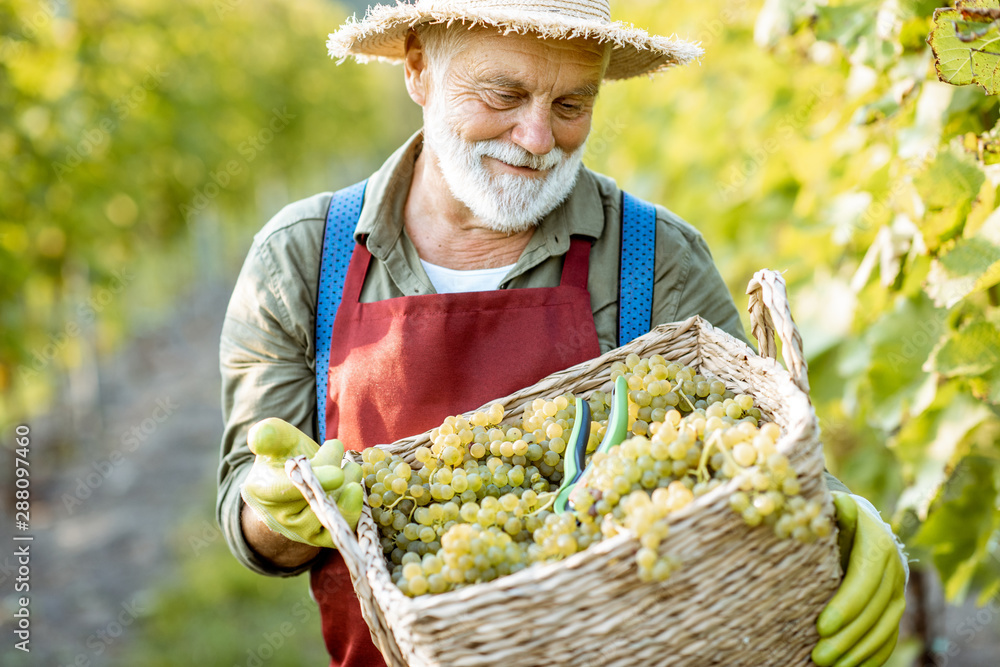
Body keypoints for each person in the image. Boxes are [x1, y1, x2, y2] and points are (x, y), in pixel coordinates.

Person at [216, 1, 907, 666]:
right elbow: (246, 519)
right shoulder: (306, 257)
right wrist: (281, 507)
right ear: (419, 70)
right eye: (503, 94)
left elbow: (749, 444)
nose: (538, 138)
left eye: (572, 105)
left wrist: (845, 516)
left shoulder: (654, 257)